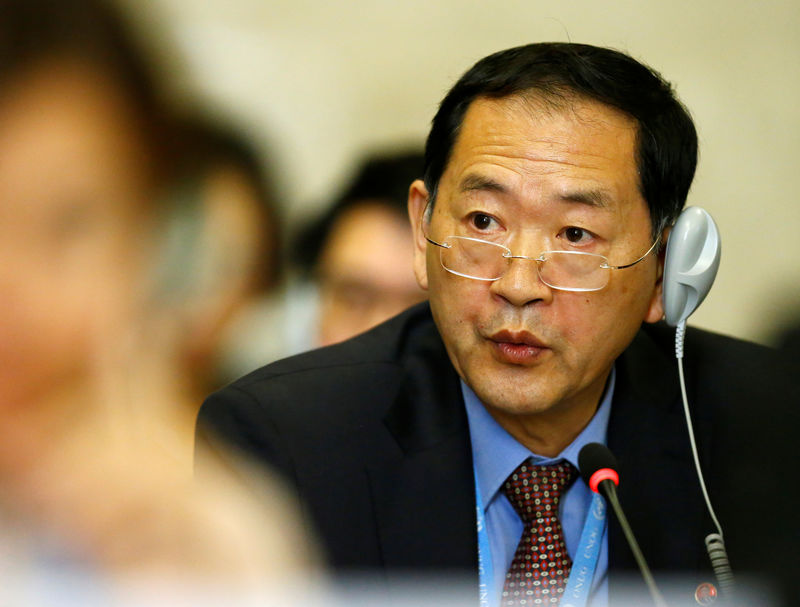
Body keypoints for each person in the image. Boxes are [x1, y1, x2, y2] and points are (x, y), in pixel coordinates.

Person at [197, 43, 792, 606]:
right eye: (484, 221)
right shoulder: (285, 443)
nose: (518, 285)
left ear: (665, 270)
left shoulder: (771, 427)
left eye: (575, 236)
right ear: (421, 229)